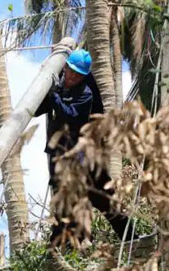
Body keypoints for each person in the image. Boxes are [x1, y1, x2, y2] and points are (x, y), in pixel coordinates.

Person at [35, 48, 138, 245]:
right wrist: (44, 87)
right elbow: (35, 111)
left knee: (105, 199)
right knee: (65, 201)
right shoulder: (59, 87)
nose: (72, 77)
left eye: (78, 74)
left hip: (85, 157)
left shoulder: (85, 94)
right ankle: (60, 246)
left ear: (84, 76)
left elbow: (72, 116)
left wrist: (55, 96)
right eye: (71, 71)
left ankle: (132, 240)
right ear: (65, 67)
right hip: (63, 158)